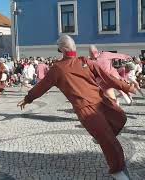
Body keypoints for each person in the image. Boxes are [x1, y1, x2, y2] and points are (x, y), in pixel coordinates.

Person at [17, 35, 135, 180]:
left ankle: (102, 137)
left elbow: (107, 77)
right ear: (63, 49)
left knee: (120, 117)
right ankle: (117, 171)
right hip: (86, 109)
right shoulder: (57, 69)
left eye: (73, 44)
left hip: (102, 102)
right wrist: (28, 98)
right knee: (109, 141)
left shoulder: (85, 61)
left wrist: (127, 87)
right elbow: (42, 86)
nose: (73, 47)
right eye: (69, 45)